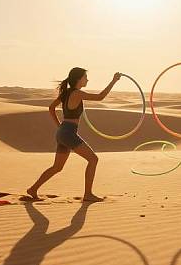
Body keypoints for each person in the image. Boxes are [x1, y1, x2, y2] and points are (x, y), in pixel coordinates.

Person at [26, 67, 121, 202]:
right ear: (78, 79)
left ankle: (33, 189)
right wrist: (113, 81)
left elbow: (51, 108)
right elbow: (100, 97)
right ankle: (88, 194)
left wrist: (60, 127)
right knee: (93, 159)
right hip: (68, 133)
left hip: (63, 132)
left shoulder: (66, 93)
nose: (87, 79)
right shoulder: (77, 93)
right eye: (85, 77)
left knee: (57, 167)